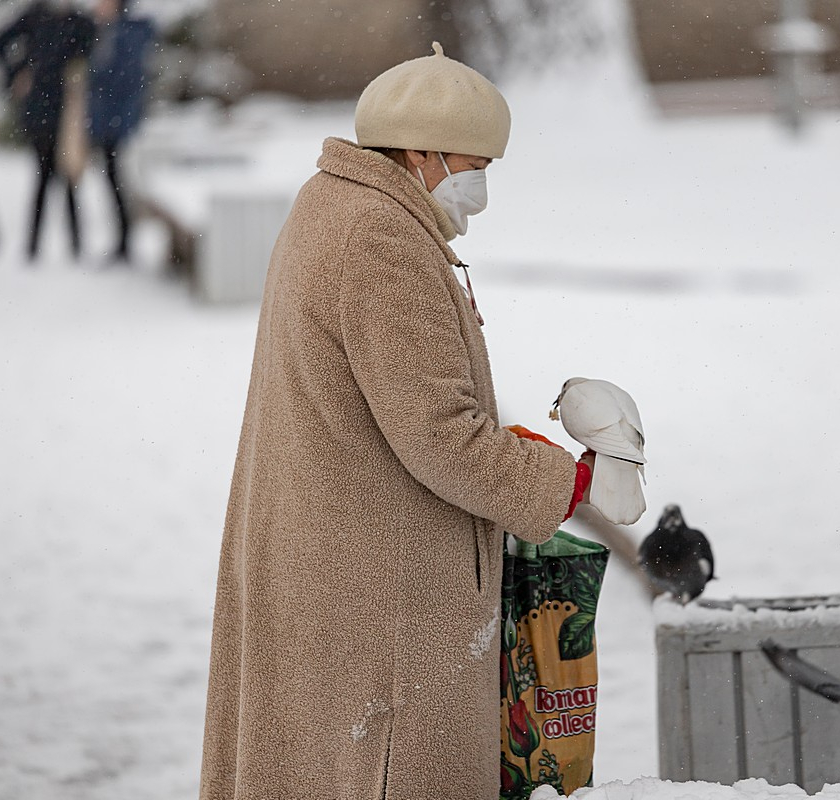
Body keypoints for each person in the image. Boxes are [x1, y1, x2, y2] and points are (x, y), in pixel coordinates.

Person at [199, 42, 595, 800]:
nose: (481, 186)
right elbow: (442, 435)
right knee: (387, 770)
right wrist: (572, 483)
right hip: (382, 592)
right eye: (477, 163)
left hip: (333, 554)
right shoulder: (380, 238)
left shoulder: (335, 204)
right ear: (422, 150)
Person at [0, 0, 94, 261]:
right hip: (40, 108)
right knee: (42, 176)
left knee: (69, 176)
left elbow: (91, 58)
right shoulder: (35, 16)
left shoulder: (80, 22)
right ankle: (34, 244)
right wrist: (18, 73)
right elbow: (2, 41)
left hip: (69, 111)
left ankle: (77, 245)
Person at [86, 0, 154, 262]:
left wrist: (97, 77)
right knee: (112, 181)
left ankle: (126, 241)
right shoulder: (108, 31)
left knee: (120, 183)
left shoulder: (128, 33)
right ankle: (122, 239)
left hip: (120, 125)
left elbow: (124, 78)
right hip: (109, 123)